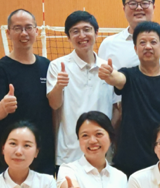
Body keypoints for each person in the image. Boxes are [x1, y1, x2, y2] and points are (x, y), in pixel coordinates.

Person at [98, 21, 160, 178]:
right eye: (142, 42)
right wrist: (110, 75)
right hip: (131, 159)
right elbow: (118, 78)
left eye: (153, 42)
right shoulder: (128, 75)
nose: (148, 46)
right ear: (135, 48)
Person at [0, 9, 55, 175]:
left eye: (28, 27)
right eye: (17, 28)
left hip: (42, 149)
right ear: (8, 32)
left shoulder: (47, 66)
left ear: (36, 31)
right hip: (12, 151)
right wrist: (4, 106)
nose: (24, 33)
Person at [47, 11, 115, 171]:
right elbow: (54, 105)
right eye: (75, 31)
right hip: (69, 154)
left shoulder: (108, 68)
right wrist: (59, 86)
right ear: (68, 37)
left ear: (96, 33)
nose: (82, 35)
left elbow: (116, 109)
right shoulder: (57, 66)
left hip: (103, 152)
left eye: (86, 29)